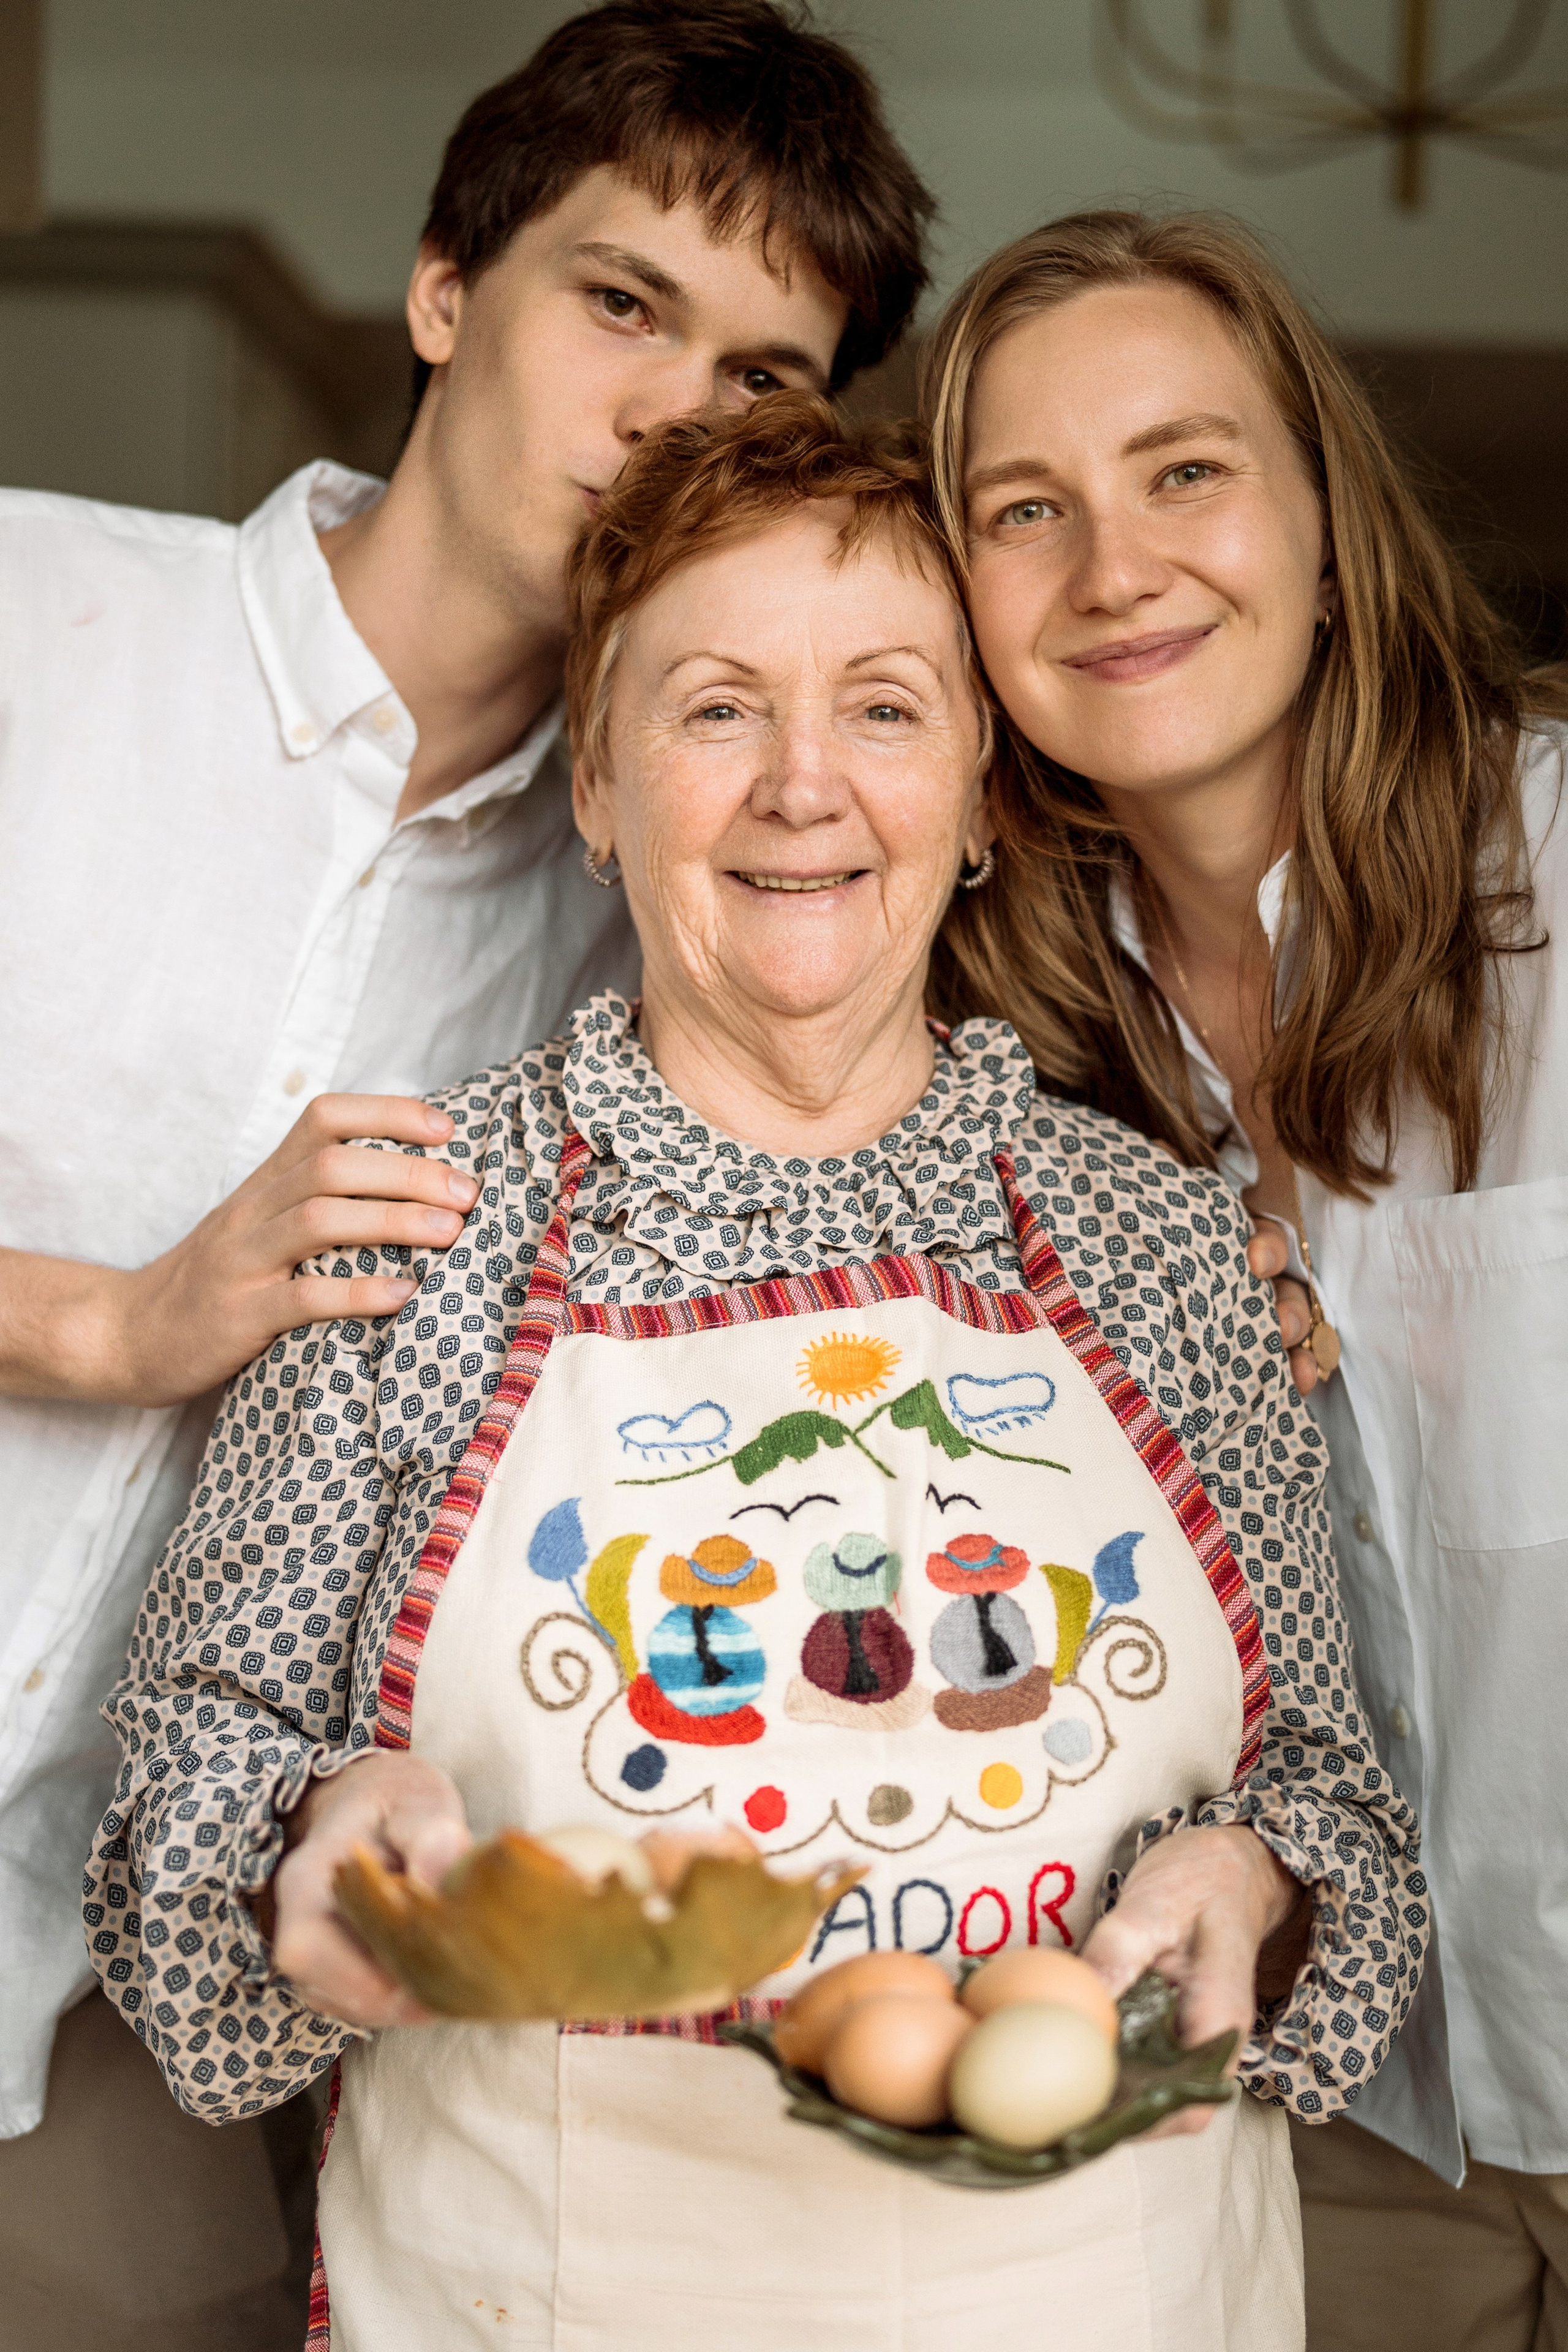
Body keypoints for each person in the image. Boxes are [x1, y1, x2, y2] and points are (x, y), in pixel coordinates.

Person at [90, 393, 1422, 2352]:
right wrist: (312, 1845)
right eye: (716, 708)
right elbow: (172, 1847)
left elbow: (1338, 1812)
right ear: (600, 789)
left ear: (983, 793)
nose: (805, 785)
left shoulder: (1167, 1254)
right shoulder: (406, 1233)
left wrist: (1265, 1894)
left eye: (884, 705)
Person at [0, 6, 932, 2343]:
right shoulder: (34, 624)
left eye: (758, 381)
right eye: (620, 303)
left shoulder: (689, 928)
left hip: (143, 1977)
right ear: (444, 287)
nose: (662, 416)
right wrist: (102, 1323)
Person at [922, 206, 1568, 2351]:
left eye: (1186, 470)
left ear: (1321, 508)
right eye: (1029, 510)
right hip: (1333, 2111)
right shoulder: (974, 1065)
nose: (1116, 569)